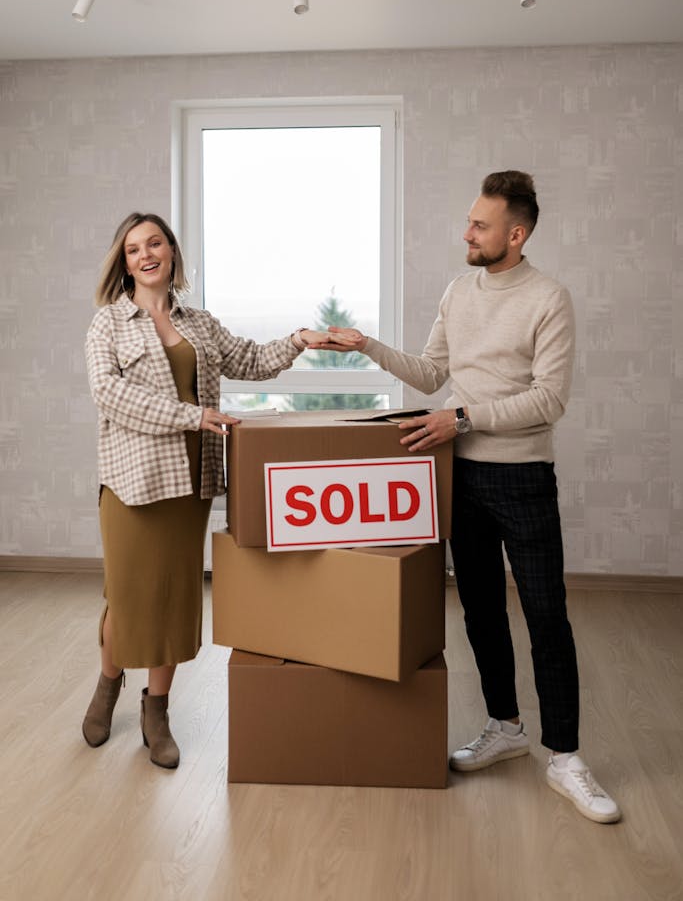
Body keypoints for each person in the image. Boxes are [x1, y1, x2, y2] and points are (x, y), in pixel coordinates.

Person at [325, 171, 621, 824]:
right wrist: (366, 345)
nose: (466, 232)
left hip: (521, 477)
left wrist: (458, 418)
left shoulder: (548, 298)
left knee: (546, 617)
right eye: (469, 221)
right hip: (461, 475)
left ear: (514, 235)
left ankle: (565, 756)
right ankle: (505, 726)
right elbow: (433, 373)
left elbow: (548, 399)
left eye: (480, 225)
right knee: (480, 611)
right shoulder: (459, 292)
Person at [82, 211, 329, 768]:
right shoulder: (109, 325)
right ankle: (107, 683)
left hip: (190, 484)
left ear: (171, 251)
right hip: (132, 482)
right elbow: (110, 395)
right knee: (128, 595)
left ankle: (157, 710)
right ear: (123, 264)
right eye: (132, 249)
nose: (145, 255)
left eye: (155, 243)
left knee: (172, 597)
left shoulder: (200, 323)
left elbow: (251, 360)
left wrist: (299, 340)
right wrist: (191, 416)